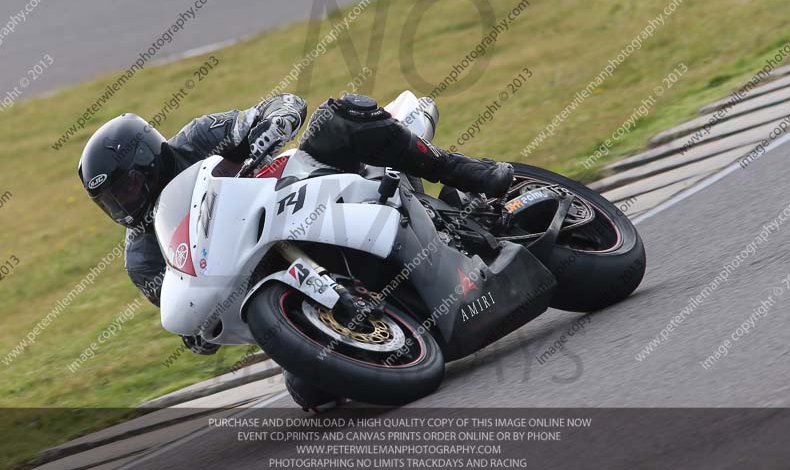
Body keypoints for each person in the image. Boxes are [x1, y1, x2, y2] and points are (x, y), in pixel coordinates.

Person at [78, 92, 513, 410]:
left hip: (302, 191)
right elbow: (185, 310)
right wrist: (195, 333)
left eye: (128, 186)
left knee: (339, 116)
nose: (125, 204)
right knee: (312, 393)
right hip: (269, 278)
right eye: (112, 201)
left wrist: (275, 125)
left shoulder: (195, 139)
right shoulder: (142, 257)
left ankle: (464, 171)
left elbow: (278, 104)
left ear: (149, 158)